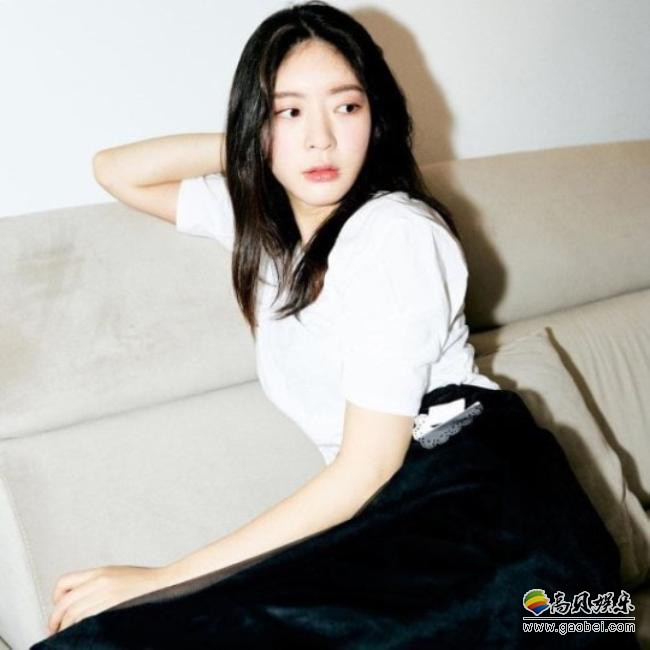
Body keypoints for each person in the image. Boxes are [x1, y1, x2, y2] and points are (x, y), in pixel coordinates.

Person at [32, 2, 637, 648]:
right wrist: (256, 143)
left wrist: (163, 580)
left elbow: (366, 468)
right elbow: (115, 170)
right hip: (400, 514)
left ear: (376, 118)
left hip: (493, 529)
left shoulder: (396, 234)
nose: (320, 139)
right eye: (289, 111)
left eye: (345, 107)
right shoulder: (266, 228)